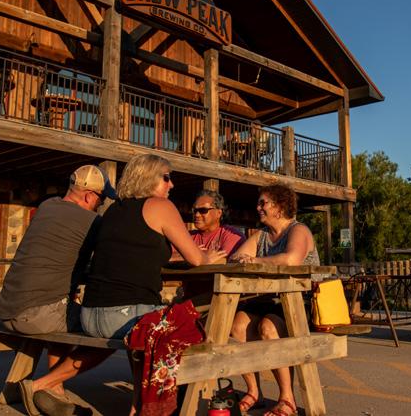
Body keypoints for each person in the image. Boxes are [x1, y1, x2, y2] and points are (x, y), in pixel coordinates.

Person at [80, 153, 227, 415]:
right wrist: (208, 257)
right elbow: (196, 259)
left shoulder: (113, 210)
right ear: (148, 178)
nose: (172, 184)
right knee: (196, 327)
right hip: (125, 317)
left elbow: (141, 251)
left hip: (90, 316)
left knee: (156, 324)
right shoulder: (160, 206)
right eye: (167, 178)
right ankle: (173, 404)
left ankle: (138, 403)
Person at [0, 165, 117, 416]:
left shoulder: (47, 206)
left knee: (64, 305)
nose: (101, 205)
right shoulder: (93, 222)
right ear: (89, 196)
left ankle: (56, 390)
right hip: (37, 314)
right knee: (111, 330)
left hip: (7, 308)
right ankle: (46, 384)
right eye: (102, 199)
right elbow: (110, 260)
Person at [229, 183, 320, 416]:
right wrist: (245, 259)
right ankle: (254, 391)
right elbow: (236, 257)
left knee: (268, 327)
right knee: (237, 326)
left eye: (263, 203)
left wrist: (255, 261)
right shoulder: (261, 235)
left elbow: (291, 260)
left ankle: (287, 399)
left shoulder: (298, 230)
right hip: (267, 301)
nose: (258, 207)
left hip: (298, 303)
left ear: (279, 207)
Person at [190, 190, 245, 256]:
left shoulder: (232, 235)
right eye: (195, 210)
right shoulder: (188, 236)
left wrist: (190, 255)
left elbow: (224, 260)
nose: (197, 215)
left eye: (203, 210)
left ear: (218, 213)